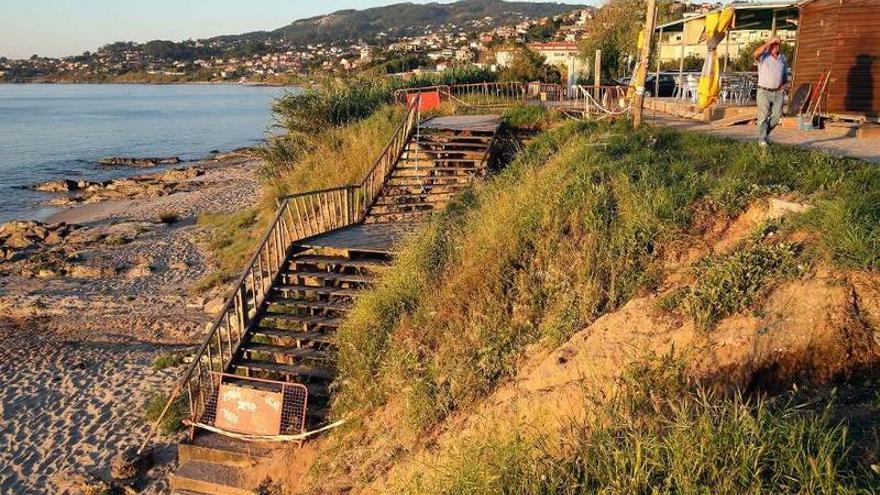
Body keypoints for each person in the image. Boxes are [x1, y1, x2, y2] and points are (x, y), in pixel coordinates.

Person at [753, 36, 789, 145]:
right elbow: (755, 54)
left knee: (777, 116)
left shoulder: (782, 58)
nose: (775, 46)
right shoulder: (763, 56)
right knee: (763, 115)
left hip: (778, 92)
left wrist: (785, 84)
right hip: (763, 91)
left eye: (777, 44)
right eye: (773, 44)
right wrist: (769, 42)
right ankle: (762, 139)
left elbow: (784, 75)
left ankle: (763, 134)